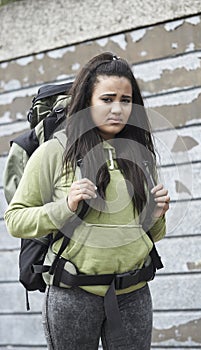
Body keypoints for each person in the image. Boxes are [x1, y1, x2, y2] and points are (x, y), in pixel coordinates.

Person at [4, 52, 170, 350]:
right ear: (86, 102)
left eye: (126, 100)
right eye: (107, 99)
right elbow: (15, 220)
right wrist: (64, 206)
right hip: (73, 295)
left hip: (134, 293)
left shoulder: (139, 155)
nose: (118, 109)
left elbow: (151, 235)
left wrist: (156, 216)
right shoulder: (55, 153)